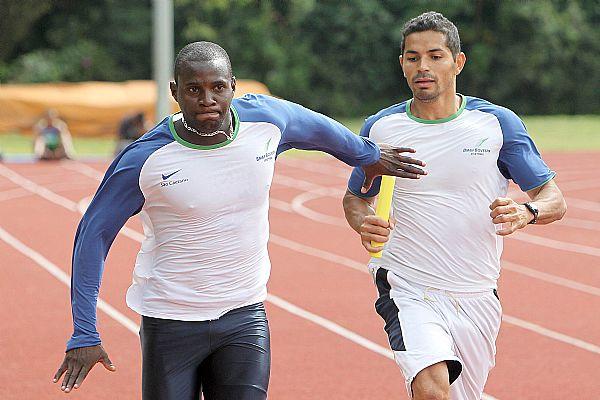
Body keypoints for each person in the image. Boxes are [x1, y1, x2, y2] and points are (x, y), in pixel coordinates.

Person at [52, 41, 426, 399]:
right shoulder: (146, 159)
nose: (207, 100)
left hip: (244, 315)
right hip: (171, 321)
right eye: (193, 89)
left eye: (217, 87)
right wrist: (85, 331)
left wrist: (366, 154)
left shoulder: (265, 121)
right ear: (174, 92)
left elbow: (319, 129)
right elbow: (93, 236)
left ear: (233, 86)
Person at [343, 12, 566, 400]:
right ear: (402, 65)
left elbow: (553, 200)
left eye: (435, 56)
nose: (423, 67)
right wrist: (364, 223)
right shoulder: (381, 129)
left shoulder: (496, 124)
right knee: (432, 391)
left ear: (458, 62)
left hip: (477, 291)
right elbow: (356, 198)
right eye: (412, 58)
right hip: (406, 283)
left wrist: (526, 213)